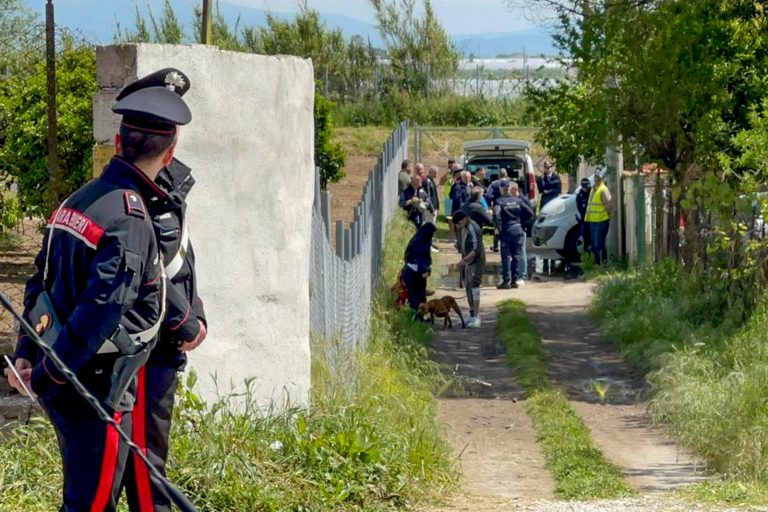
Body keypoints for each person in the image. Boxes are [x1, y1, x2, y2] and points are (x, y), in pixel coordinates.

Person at [6, 68, 191, 511]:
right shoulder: (130, 218)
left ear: (117, 144)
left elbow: (39, 285)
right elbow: (100, 313)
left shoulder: (79, 199)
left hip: (67, 380)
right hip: (97, 391)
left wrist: (29, 354)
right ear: (169, 155)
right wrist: (52, 373)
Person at [111, 69, 208, 512]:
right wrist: (184, 321)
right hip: (147, 346)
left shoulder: (168, 185)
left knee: (144, 460)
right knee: (144, 468)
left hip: (166, 340)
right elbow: (145, 274)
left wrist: (197, 309)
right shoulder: (130, 196)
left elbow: (179, 255)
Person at [494, 181, 534, 289]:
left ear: (501, 189)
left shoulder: (500, 201)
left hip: (506, 231)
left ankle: (506, 281)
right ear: (509, 189)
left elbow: (496, 215)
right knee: (516, 256)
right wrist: (522, 223)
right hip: (518, 230)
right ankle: (515, 280)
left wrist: (499, 228)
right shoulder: (518, 200)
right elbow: (530, 213)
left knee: (506, 257)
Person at [453, 210, 485, 328]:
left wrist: (464, 260)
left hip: (476, 261)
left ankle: (477, 316)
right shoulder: (463, 228)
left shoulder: (473, 228)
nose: (458, 226)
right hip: (467, 260)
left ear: (465, 219)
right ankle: (472, 313)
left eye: (459, 223)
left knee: (475, 285)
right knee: (468, 286)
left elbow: (476, 249)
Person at [402, 223, 437, 313]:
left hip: (413, 272)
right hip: (414, 273)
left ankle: (418, 317)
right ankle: (415, 318)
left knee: (418, 296)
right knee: (415, 297)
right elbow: (419, 259)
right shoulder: (420, 243)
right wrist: (426, 270)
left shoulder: (418, 239)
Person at [585, 169, 612, 264]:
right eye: (596, 177)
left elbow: (608, 205)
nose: (598, 179)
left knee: (598, 244)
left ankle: (601, 264)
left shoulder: (603, 190)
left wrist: (607, 216)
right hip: (593, 221)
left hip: (601, 221)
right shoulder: (593, 189)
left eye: (599, 177)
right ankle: (599, 263)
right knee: (594, 244)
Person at [485, 169, 508, 252]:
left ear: (498, 175)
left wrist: (489, 205)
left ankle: (496, 246)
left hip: (497, 205)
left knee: (497, 226)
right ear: (506, 174)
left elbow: (488, 195)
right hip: (508, 205)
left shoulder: (494, 184)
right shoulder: (510, 183)